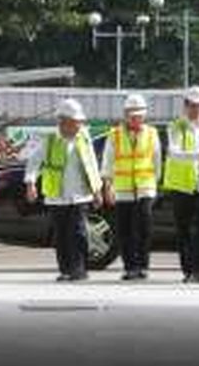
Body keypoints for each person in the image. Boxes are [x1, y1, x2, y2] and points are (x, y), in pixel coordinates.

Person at [25, 99, 102, 282]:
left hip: (80, 195)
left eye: (79, 122)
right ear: (63, 121)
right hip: (57, 197)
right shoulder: (50, 141)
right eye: (76, 121)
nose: (79, 125)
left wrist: (97, 191)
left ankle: (79, 269)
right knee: (61, 235)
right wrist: (30, 184)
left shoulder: (83, 139)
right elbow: (33, 162)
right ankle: (65, 270)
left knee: (79, 233)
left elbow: (92, 165)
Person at [102, 94, 162, 281]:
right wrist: (107, 185)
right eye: (132, 115)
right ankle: (129, 267)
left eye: (139, 116)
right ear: (126, 115)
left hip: (145, 188)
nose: (136, 119)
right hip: (123, 190)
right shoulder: (115, 135)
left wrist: (154, 183)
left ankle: (142, 266)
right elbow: (108, 161)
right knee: (125, 230)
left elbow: (157, 160)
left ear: (144, 116)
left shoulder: (152, 133)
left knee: (144, 229)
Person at [164, 86, 199, 282]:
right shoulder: (176, 126)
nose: (197, 110)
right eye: (193, 106)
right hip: (182, 187)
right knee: (184, 230)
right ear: (185, 106)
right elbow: (174, 152)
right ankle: (189, 270)